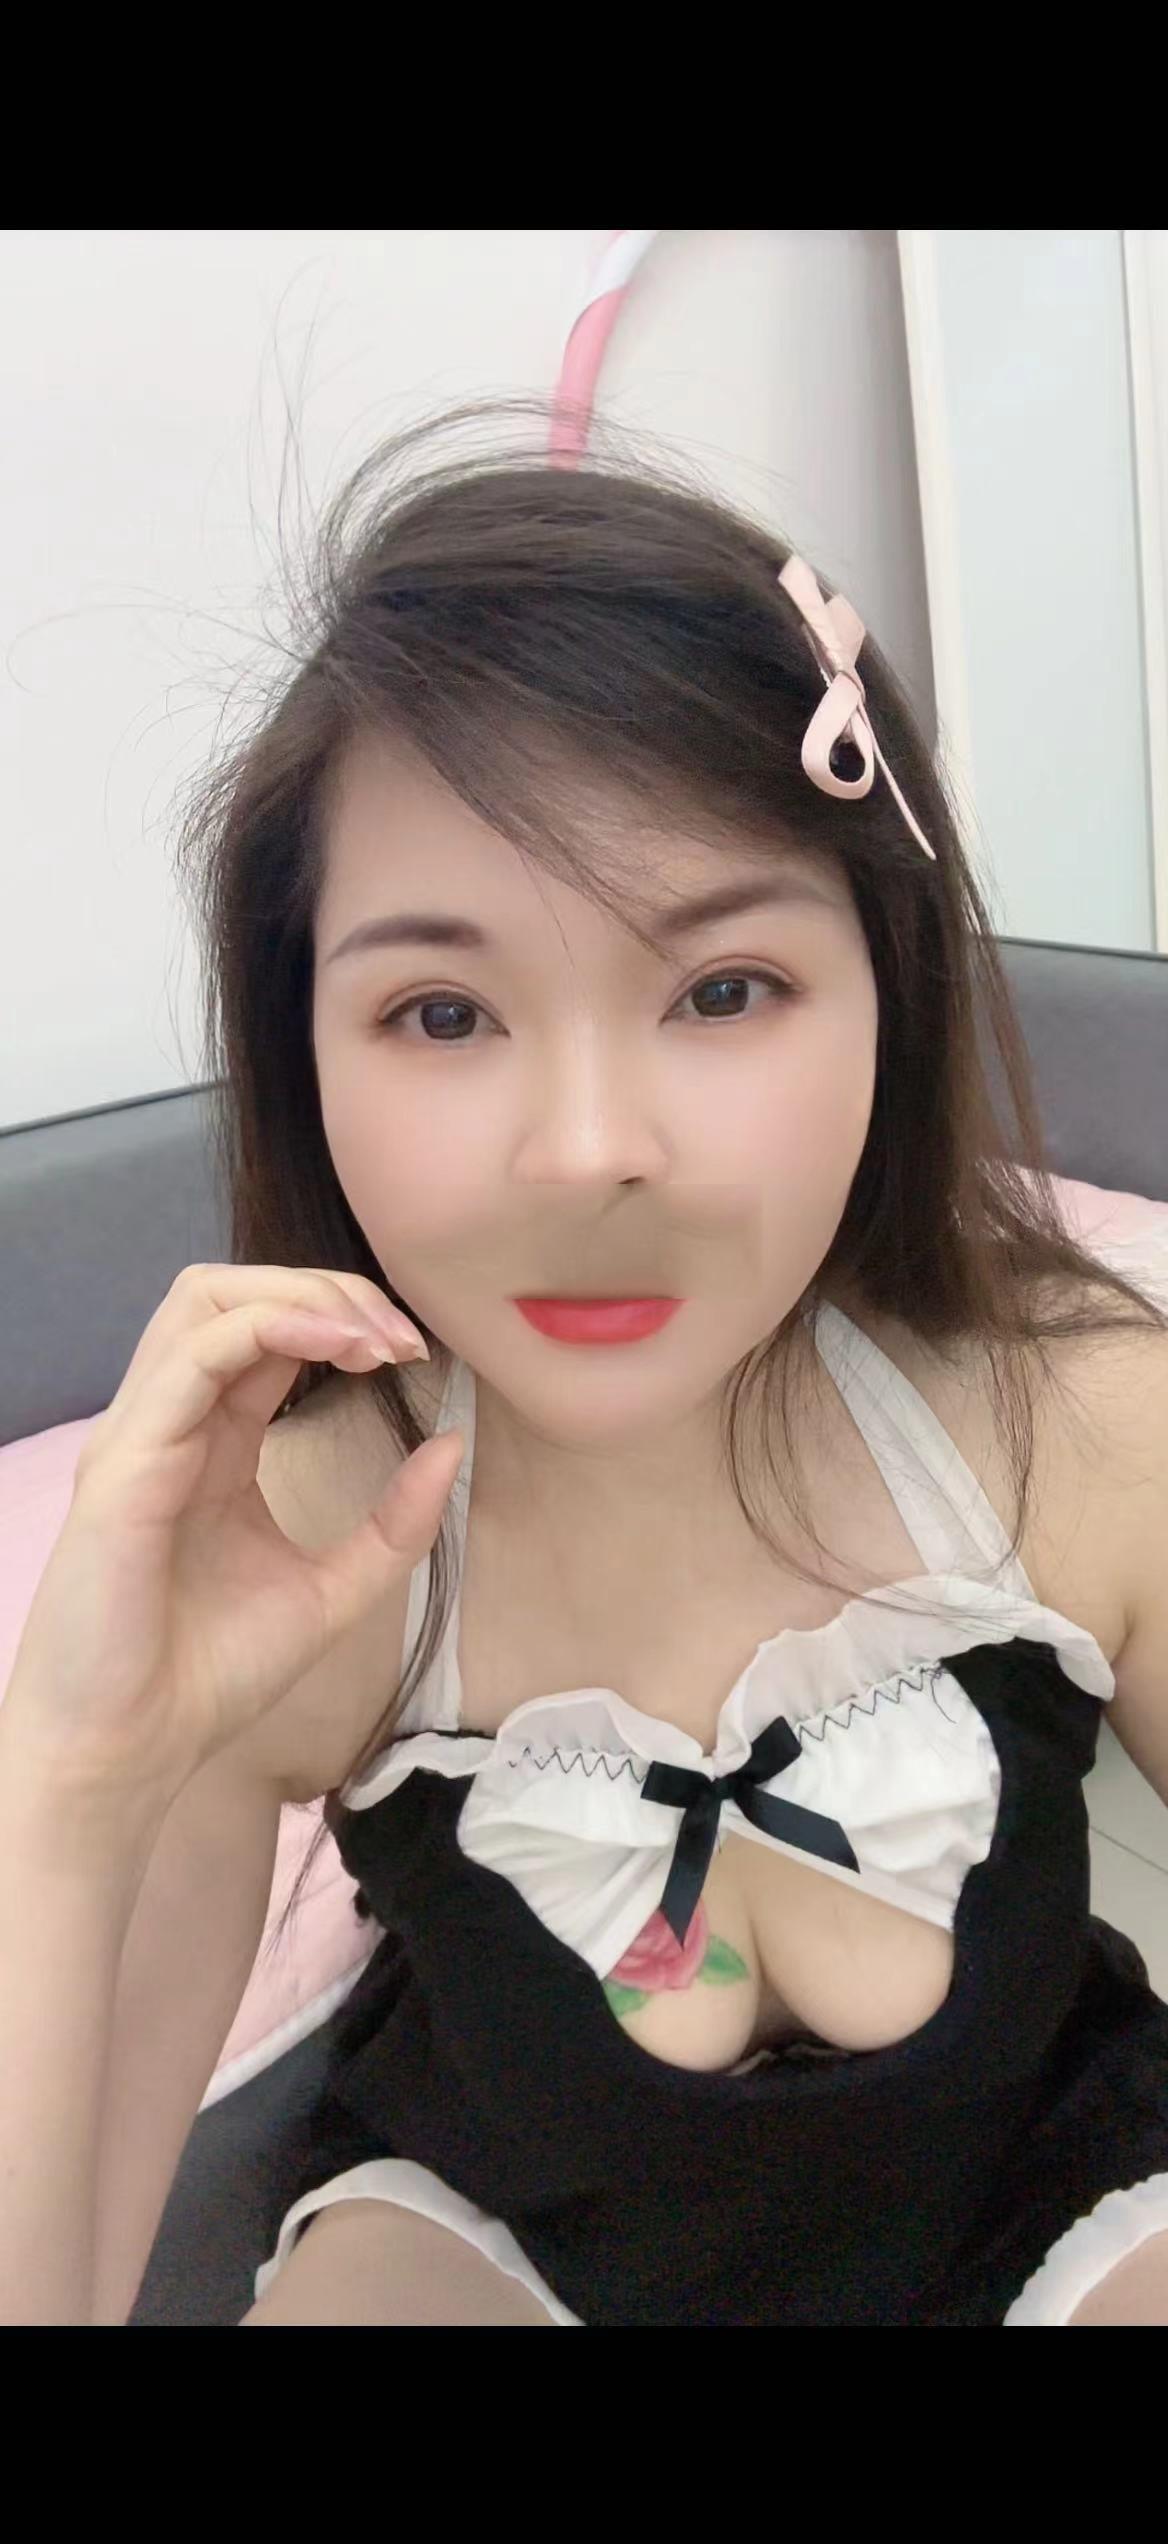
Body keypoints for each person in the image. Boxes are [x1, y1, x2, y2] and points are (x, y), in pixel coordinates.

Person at [4, 405, 1168, 2328]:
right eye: (442, 1013)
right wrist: (67, 1778)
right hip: (487, 2244)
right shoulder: (293, 1541)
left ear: (891, 992)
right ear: (305, 1051)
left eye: (723, 989)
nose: (587, 1154)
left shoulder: (1086, 1423)